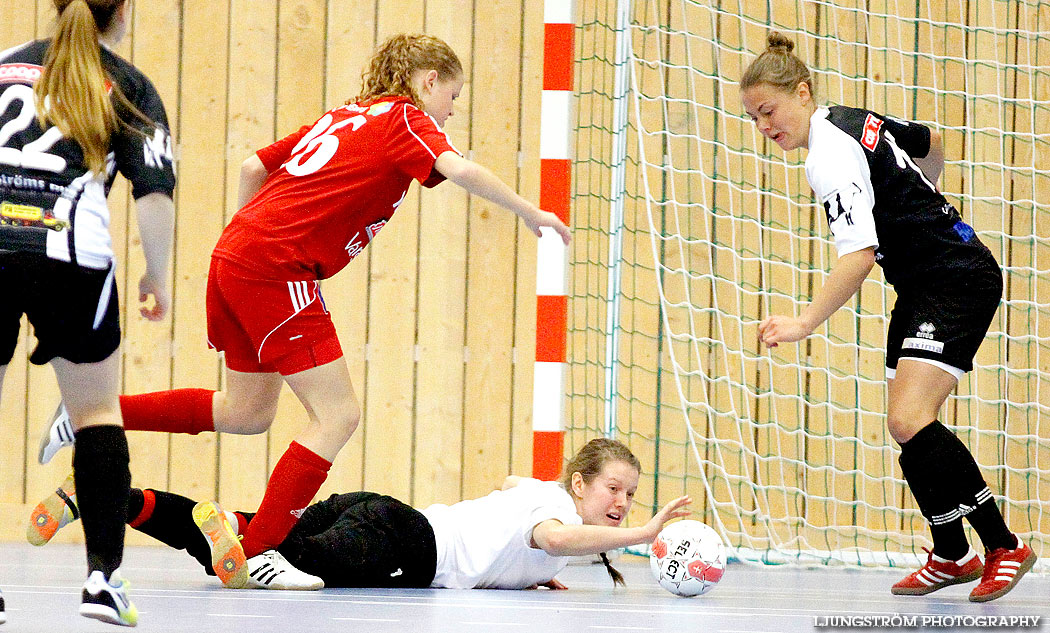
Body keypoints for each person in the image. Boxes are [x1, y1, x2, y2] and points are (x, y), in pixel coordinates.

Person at [37, 32, 572, 587]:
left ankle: (90, 415)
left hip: (237, 254)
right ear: (428, 81)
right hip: (276, 267)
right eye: (453, 95)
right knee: (339, 414)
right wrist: (528, 210)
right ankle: (260, 551)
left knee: (247, 412)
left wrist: (246, 248)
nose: (452, 110)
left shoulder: (345, 115)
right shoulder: (406, 118)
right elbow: (458, 169)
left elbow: (251, 167)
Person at [739, 32, 1035, 602]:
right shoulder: (852, 120)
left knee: (910, 416)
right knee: (906, 423)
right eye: (753, 118)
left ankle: (1004, 546)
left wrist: (803, 322)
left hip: (954, 278)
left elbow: (857, 255)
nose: (764, 127)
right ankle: (952, 553)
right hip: (926, 280)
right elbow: (931, 141)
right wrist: (928, 194)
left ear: (802, 92)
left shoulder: (828, 156)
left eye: (769, 111)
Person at [1, 0, 175, 626]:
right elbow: (154, 194)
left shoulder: (5, 66)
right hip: (69, 254)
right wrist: (157, 274)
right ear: (122, 11)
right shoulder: (127, 87)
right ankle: (103, 581)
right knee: (97, 412)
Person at [30, 438, 692, 591]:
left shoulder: (543, 490)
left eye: (631, 496)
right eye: (614, 488)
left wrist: (521, 571)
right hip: (400, 542)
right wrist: (641, 532)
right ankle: (251, 556)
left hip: (380, 512)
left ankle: (100, 495)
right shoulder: (554, 514)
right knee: (284, 562)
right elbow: (557, 531)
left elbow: (516, 486)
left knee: (242, 523)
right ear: (580, 482)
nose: (622, 502)